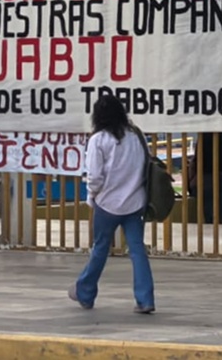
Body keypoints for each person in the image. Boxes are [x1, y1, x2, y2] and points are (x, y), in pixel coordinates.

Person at [71, 94, 154, 314]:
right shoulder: (137, 136)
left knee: (100, 248)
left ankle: (85, 292)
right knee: (137, 250)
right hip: (135, 202)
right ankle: (145, 299)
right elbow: (147, 165)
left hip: (107, 203)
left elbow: (95, 176)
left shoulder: (99, 139)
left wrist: (91, 196)